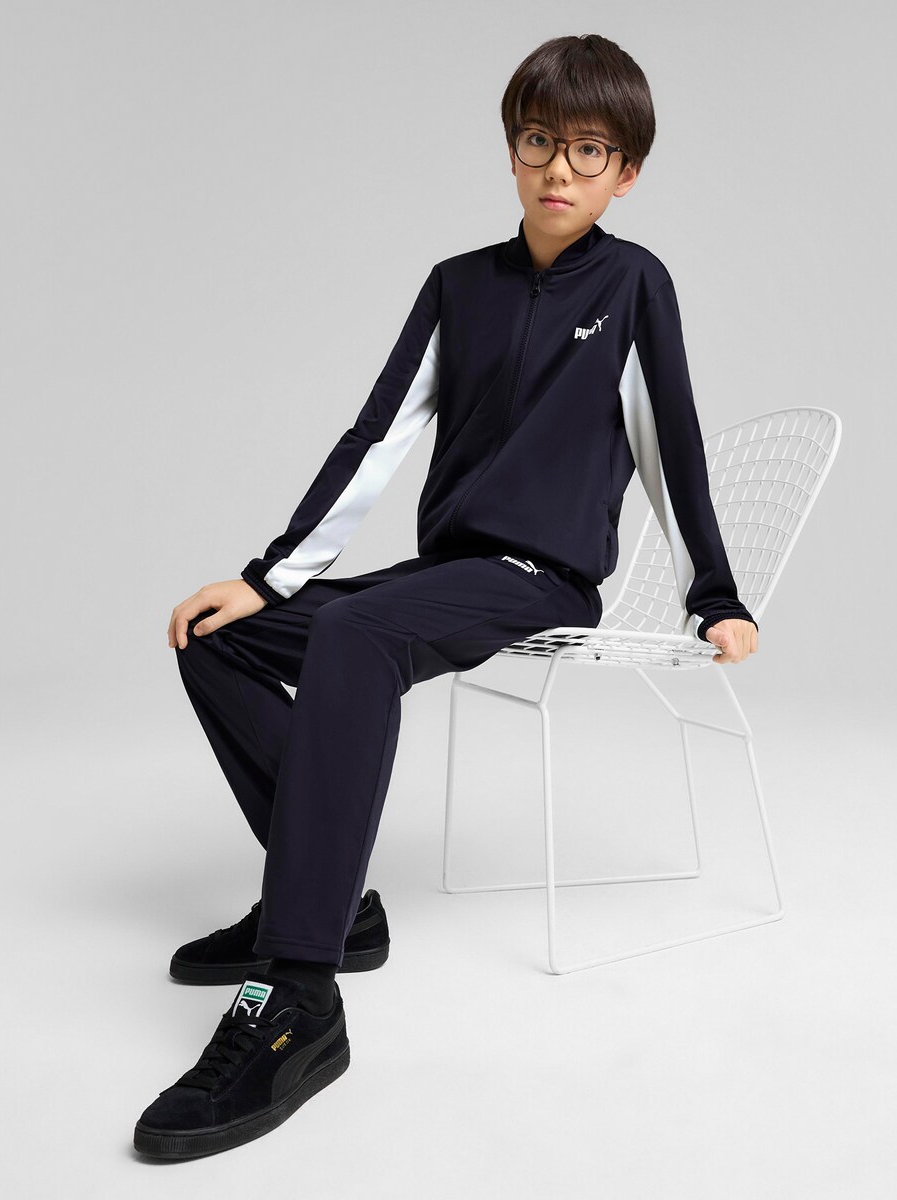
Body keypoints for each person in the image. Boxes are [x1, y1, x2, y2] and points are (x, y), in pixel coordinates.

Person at [133, 32, 759, 1159]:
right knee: (215, 638)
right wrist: (268, 578)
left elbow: (674, 443)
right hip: (444, 574)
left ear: (624, 173)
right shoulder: (457, 285)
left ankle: (299, 995)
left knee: (358, 636)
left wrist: (714, 592)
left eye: (588, 150)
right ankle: (330, 901)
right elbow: (377, 436)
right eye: (539, 142)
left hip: (538, 577)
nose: (558, 169)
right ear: (511, 151)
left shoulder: (633, 284)